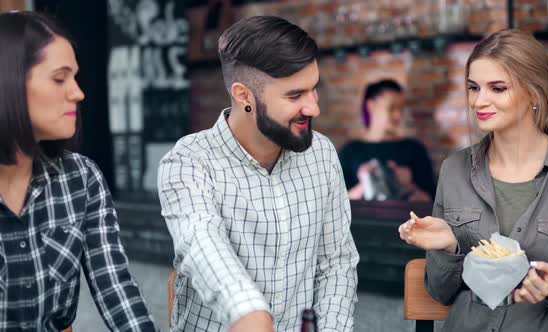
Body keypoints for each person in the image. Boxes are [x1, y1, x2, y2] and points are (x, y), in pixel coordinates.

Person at [158, 16, 359, 332]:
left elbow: (336, 264)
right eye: (295, 95)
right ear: (244, 96)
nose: (314, 108)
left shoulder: (322, 154)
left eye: (313, 89)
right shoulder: (188, 161)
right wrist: (247, 312)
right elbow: (202, 243)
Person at [399, 29, 548, 331]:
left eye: (497, 88)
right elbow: (438, 292)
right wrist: (449, 248)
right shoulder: (454, 170)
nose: (478, 101)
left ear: (533, 92)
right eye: (474, 88)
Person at [0, 11, 156, 331]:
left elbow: (115, 286)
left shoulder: (81, 178)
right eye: (60, 78)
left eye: (75, 78)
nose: (78, 93)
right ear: (8, 82)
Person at [339, 79, 436, 201]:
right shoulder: (350, 151)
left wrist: (408, 185)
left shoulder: (414, 149)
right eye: (391, 108)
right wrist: (367, 182)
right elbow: (338, 205)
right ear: (371, 105)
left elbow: (431, 202)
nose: (398, 115)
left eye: (401, 109)